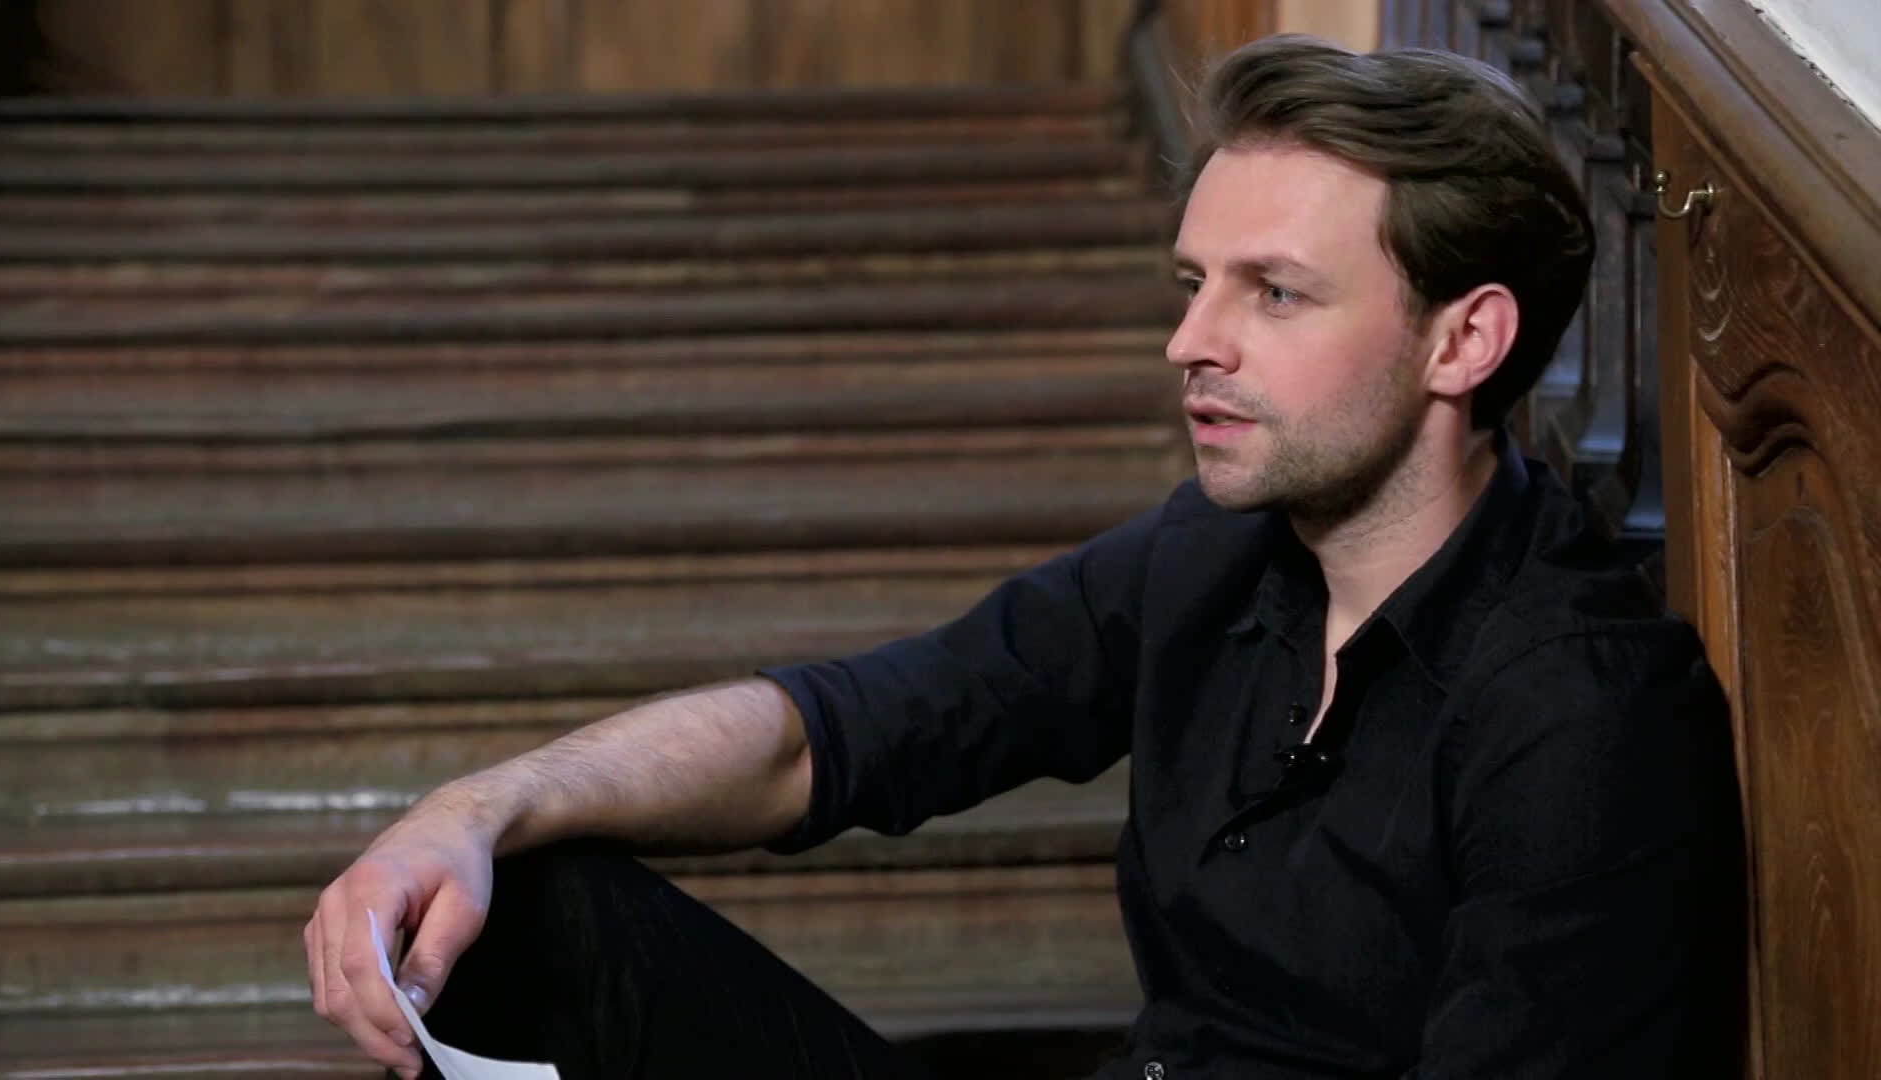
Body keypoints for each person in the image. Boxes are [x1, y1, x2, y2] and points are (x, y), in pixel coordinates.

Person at [305, 35, 1744, 1080]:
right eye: (1194, 284)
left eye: (1274, 294)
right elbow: (833, 737)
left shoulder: (1582, 708)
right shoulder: (1211, 558)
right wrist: (476, 808)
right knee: (524, 912)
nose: (1191, 342)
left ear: (1464, 340)